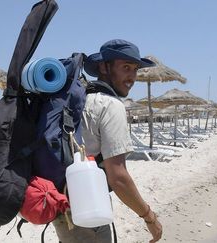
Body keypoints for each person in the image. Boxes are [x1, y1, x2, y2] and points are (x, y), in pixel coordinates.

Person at [52, 39, 163, 243]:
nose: (131, 77)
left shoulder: (81, 99)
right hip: (89, 209)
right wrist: (149, 217)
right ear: (104, 67)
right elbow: (118, 178)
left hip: (62, 207)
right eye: (125, 67)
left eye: (135, 69)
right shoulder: (110, 105)